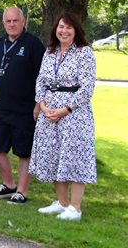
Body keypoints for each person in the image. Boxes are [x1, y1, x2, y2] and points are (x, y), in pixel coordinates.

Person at [29, 13, 96, 221]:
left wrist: (66, 109)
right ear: (55, 29)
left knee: (75, 157)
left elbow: (87, 87)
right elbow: (40, 80)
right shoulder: (50, 52)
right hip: (49, 112)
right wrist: (42, 104)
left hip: (74, 114)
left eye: (68, 27)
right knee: (53, 155)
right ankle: (62, 203)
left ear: (76, 30)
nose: (64, 31)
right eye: (60, 27)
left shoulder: (84, 53)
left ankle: (75, 208)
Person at [0, 7, 45, 204]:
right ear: (3, 24)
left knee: (24, 151)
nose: (12, 24)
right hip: (0, 106)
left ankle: (22, 192)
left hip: (25, 108)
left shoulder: (33, 44)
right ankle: (9, 185)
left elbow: (43, 79)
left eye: (16, 20)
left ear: (23, 22)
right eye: (8, 21)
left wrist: (38, 105)